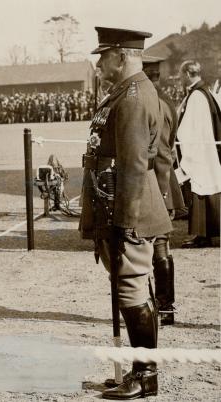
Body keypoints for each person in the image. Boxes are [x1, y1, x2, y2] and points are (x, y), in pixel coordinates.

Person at [79, 27, 173, 399]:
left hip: (129, 206)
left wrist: (124, 221)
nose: (99, 64)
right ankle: (137, 368)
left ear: (122, 55)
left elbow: (133, 165)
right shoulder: (124, 92)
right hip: (119, 203)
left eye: (103, 57)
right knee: (130, 286)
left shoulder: (133, 97)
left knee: (131, 287)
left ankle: (145, 374)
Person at [143, 56, 185, 325]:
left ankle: (157, 307)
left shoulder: (146, 103)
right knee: (162, 247)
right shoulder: (168, 102)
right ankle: (166, 306)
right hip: (165, 182)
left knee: (146, 248)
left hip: (152, 183)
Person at [177, 60, 221, 248]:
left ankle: (201, 234)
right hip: (207, 148)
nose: (180, 79)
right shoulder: (205, 92)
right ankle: (208, 233)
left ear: (187, 73)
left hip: (200, 150)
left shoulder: (196, 96)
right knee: (209, 188)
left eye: (181, 75)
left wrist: (179, 141)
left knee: (200, 190)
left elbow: (188, 128)